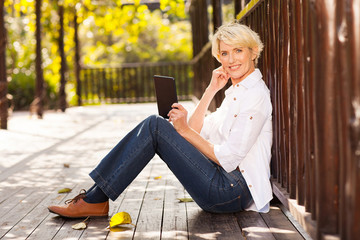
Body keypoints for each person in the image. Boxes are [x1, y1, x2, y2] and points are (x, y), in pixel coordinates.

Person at [48, 22, 273, 218]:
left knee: (155, 126)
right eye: (224, 53)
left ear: (253, 52)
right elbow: (195, 130)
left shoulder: (255, 95)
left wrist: (183, 130)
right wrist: (211, 89)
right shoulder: (236, 92)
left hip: (232, 191)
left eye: (238, 51)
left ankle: (95, 200)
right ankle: (95, 198)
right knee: (156, 125)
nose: (231, 59)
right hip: (222, 181)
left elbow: (229, 158)